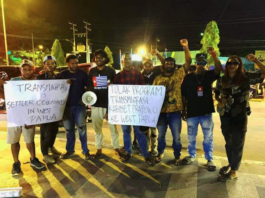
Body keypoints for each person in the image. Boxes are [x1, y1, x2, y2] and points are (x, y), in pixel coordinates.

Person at [215, 54, 265, 181]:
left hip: (239, 115)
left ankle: (233, 170)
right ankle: (232, 164)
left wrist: (256, 61)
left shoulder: (245, 77)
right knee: (229, 142)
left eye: (235, 63)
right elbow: (217, 93)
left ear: (239, 65)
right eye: (230, 63)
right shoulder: (222, 79)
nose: (232, 65)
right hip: (225, 114)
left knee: (237, 142)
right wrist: (220, 101)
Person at [181, 48, 222, 171]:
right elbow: (183, 95)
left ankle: (209, 159)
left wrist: (214, 55)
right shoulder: (188, 78)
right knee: (191, 136)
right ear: (195, 63)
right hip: (192, 112)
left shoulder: (209, 75)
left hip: (206, 112)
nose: (201, 65)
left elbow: (219, 69)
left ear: (206, 64)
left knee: (208, 137)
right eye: (198, 62)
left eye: (203, 63)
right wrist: (183, 110)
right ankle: (191, 155)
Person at [153, 39, 191, 165]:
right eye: (166, 63)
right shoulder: (157, 79)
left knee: (177, 137)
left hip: (175, 112)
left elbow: (188, 62)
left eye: (171, 63)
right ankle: (160, 153)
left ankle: (177, 156)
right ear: (163, 65)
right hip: (161, 112)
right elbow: (151, 95)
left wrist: (185, 48)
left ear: (174, 66)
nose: (168, 64)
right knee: (161, 136)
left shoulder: (178, 75)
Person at [113, 53, 154, 165]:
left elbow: (142, 91)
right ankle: (128, 152)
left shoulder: (138, 75)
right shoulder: (118, 76)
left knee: (139, 132)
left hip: (136, 109)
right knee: (126, 132)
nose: (127, 61)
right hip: (124, 109)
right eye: (125, 59)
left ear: (131, 61)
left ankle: (146, 154)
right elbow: (114, 94)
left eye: (129, 59)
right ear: (122, 61)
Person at [7, 59, 45, 176]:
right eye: (24, 69)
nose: (27, 71)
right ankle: (16, 163)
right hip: (14, 115)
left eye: (29, 69)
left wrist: (34, 118)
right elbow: (7, 94)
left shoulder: (37, 81)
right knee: (14, 140)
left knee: (30, 140)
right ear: (21, 70)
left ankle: (33, 159)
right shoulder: (13, 81)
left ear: (33, 69)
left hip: (29, 115)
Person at [59, 55, 93, 160]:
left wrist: (86, 98)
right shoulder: (62, 75)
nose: (75, 65)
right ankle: (70, 150)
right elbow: (55, 88)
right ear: (67, 64)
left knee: (82, 129)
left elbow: (89, 87)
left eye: (76, 63)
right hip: (66, 107)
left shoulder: (83, 74)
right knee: (69, 130)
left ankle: (85, 150)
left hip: (79, 106)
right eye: (72, 63)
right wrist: (64, 84)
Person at [88, 49, 120, 156]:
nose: (99, 59)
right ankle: (98, 148)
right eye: (97, 57)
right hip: (96, 104)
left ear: (105, 59)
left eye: (101, 57)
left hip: (109, 104)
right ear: (95, 59)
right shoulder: (92, 71)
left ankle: (116, 147)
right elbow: (89, 86)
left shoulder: (110, 70)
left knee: (113, 128)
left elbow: (116, 86)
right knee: (97, 128)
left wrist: (112, 84)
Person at [37, 56, 62, 164]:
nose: (50, 65)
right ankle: (45, 154)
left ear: (55, 65)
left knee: (54, 130)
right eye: (47, 63)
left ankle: (51, 146)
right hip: (44, 109)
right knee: (45, 132)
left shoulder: (58, 78)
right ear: (44, 65)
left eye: (52, 63)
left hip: (55, 109)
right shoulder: (39, 78)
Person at [140, 59, 162, 156]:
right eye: (146, 65)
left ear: (152, 66)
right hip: (143, 106)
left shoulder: (156, 75)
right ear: (143, 66)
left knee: (153, 129)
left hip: (154, 105)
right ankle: (145, 147)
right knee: (144, 130)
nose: (147, 67)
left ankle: (154, 148)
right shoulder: (139, 76)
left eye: (149, 65)